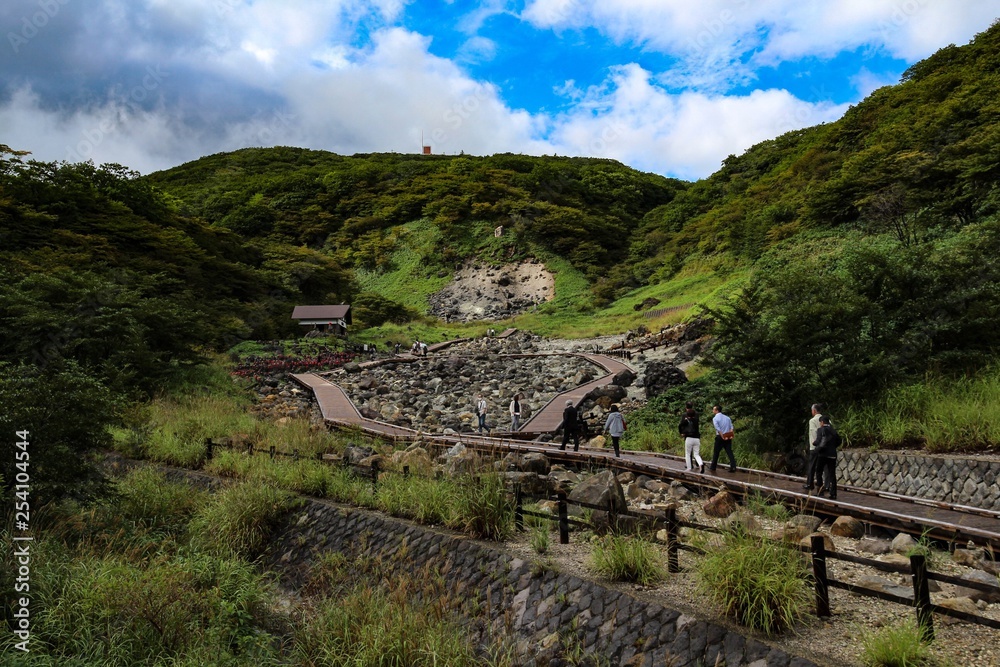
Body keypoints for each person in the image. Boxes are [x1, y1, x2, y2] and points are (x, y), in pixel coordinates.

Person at [813, 415, 840, 499]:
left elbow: (818, 441)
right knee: (832, 473)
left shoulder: (820, 430)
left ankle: (820, 491)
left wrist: (814, 443)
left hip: (823, 454)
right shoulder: (833, 430)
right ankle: (833, 493)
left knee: (819, 471)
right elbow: (839, 441)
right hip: (832, 454)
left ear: (822, 422)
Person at [804, 404, 828, 492]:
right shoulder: (826, 419)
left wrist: (816, 444)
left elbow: (814, 433)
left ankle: (810, 484)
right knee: (825, 467)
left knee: (812, 466)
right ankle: (826, 485)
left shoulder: (812, 421)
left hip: (815, 447)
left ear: (814, 411)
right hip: (825, 447)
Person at [678, 403, 705, 473]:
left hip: (689, 437)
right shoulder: (696, 417)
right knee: (696, 454)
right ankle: (700, 464)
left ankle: (689, 467)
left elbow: (680, 425)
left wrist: (681, 433)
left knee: (687, 453)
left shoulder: (685, 418)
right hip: (697, 438)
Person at [710, 404, 737, 472]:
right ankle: (733, 466)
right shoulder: (727, 418)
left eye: (713, 409)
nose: (713, 410)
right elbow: (731, 428)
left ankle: (713, 467)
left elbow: (718, 429)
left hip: (720, 436)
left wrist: (722, 436)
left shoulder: (715, 418)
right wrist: (730, 435)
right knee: (729, 451)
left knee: (716, 452)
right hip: (728, 436)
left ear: (716, 410)